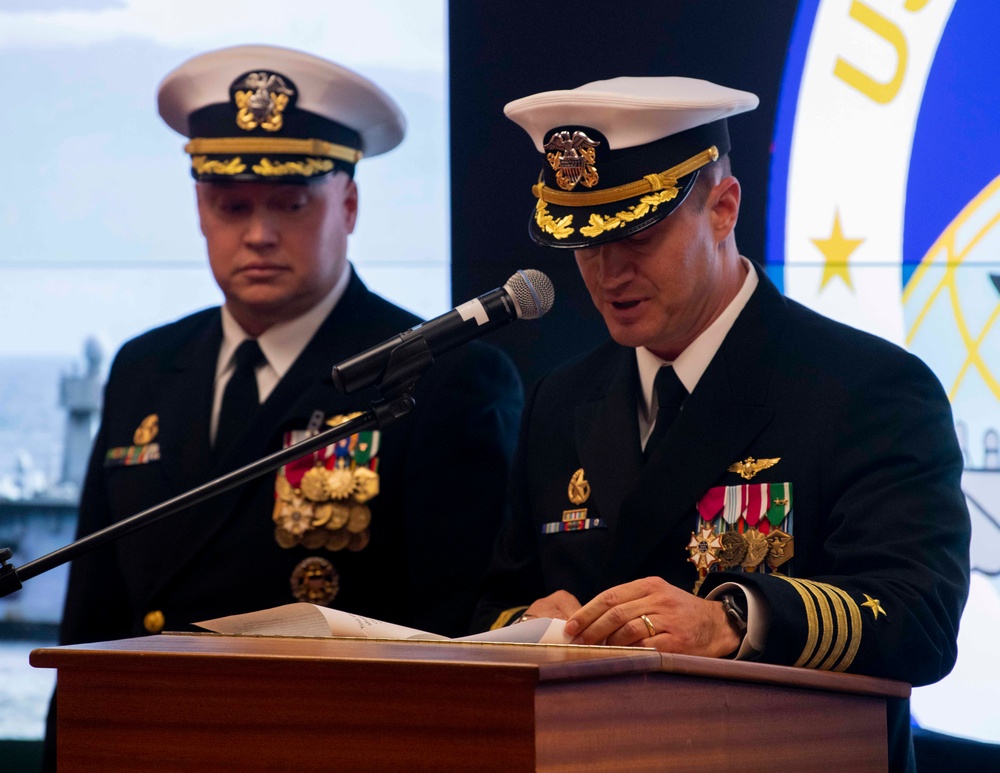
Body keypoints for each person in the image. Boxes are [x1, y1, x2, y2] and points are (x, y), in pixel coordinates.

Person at [473, 76, 970, 772]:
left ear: (723, 207)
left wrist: (733, 620)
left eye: (638, 233)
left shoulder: (866, 387)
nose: (610, 270)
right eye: (584, 241)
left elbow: (919, 618)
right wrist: (530, 625)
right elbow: (491, 603)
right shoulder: (563, 399)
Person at [45, 43, 523, 766]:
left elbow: (457, 641)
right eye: (231, 205)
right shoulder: (144, 368)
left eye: (290, 204)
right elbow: (92, 618)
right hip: (147, 745)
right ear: (200, 209)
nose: (259, 234)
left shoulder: (444, 376)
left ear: (350, 205)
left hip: (331, 747)